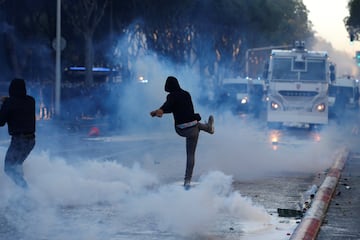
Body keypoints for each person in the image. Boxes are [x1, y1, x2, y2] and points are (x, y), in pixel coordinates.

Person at [150, 76, 214, 189]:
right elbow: (175, 107)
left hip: (181, 129)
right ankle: (187, 181)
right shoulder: (186, 94)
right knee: (191, 154)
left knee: (194, 131)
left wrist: (160, 111)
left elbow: (168, 106)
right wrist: (160, 111)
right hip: (194, 126)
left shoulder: (171, 96)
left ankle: (208, 128)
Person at [0, 78, 36, 188]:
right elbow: (19, 103)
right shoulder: (31, 100)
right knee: (16, 166)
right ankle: (19, 195)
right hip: (31, 141)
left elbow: (1, 122)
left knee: (9, 168)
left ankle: (25, 191)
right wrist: (7, 102)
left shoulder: (9, 103)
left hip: (19, 141)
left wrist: (4, 105)